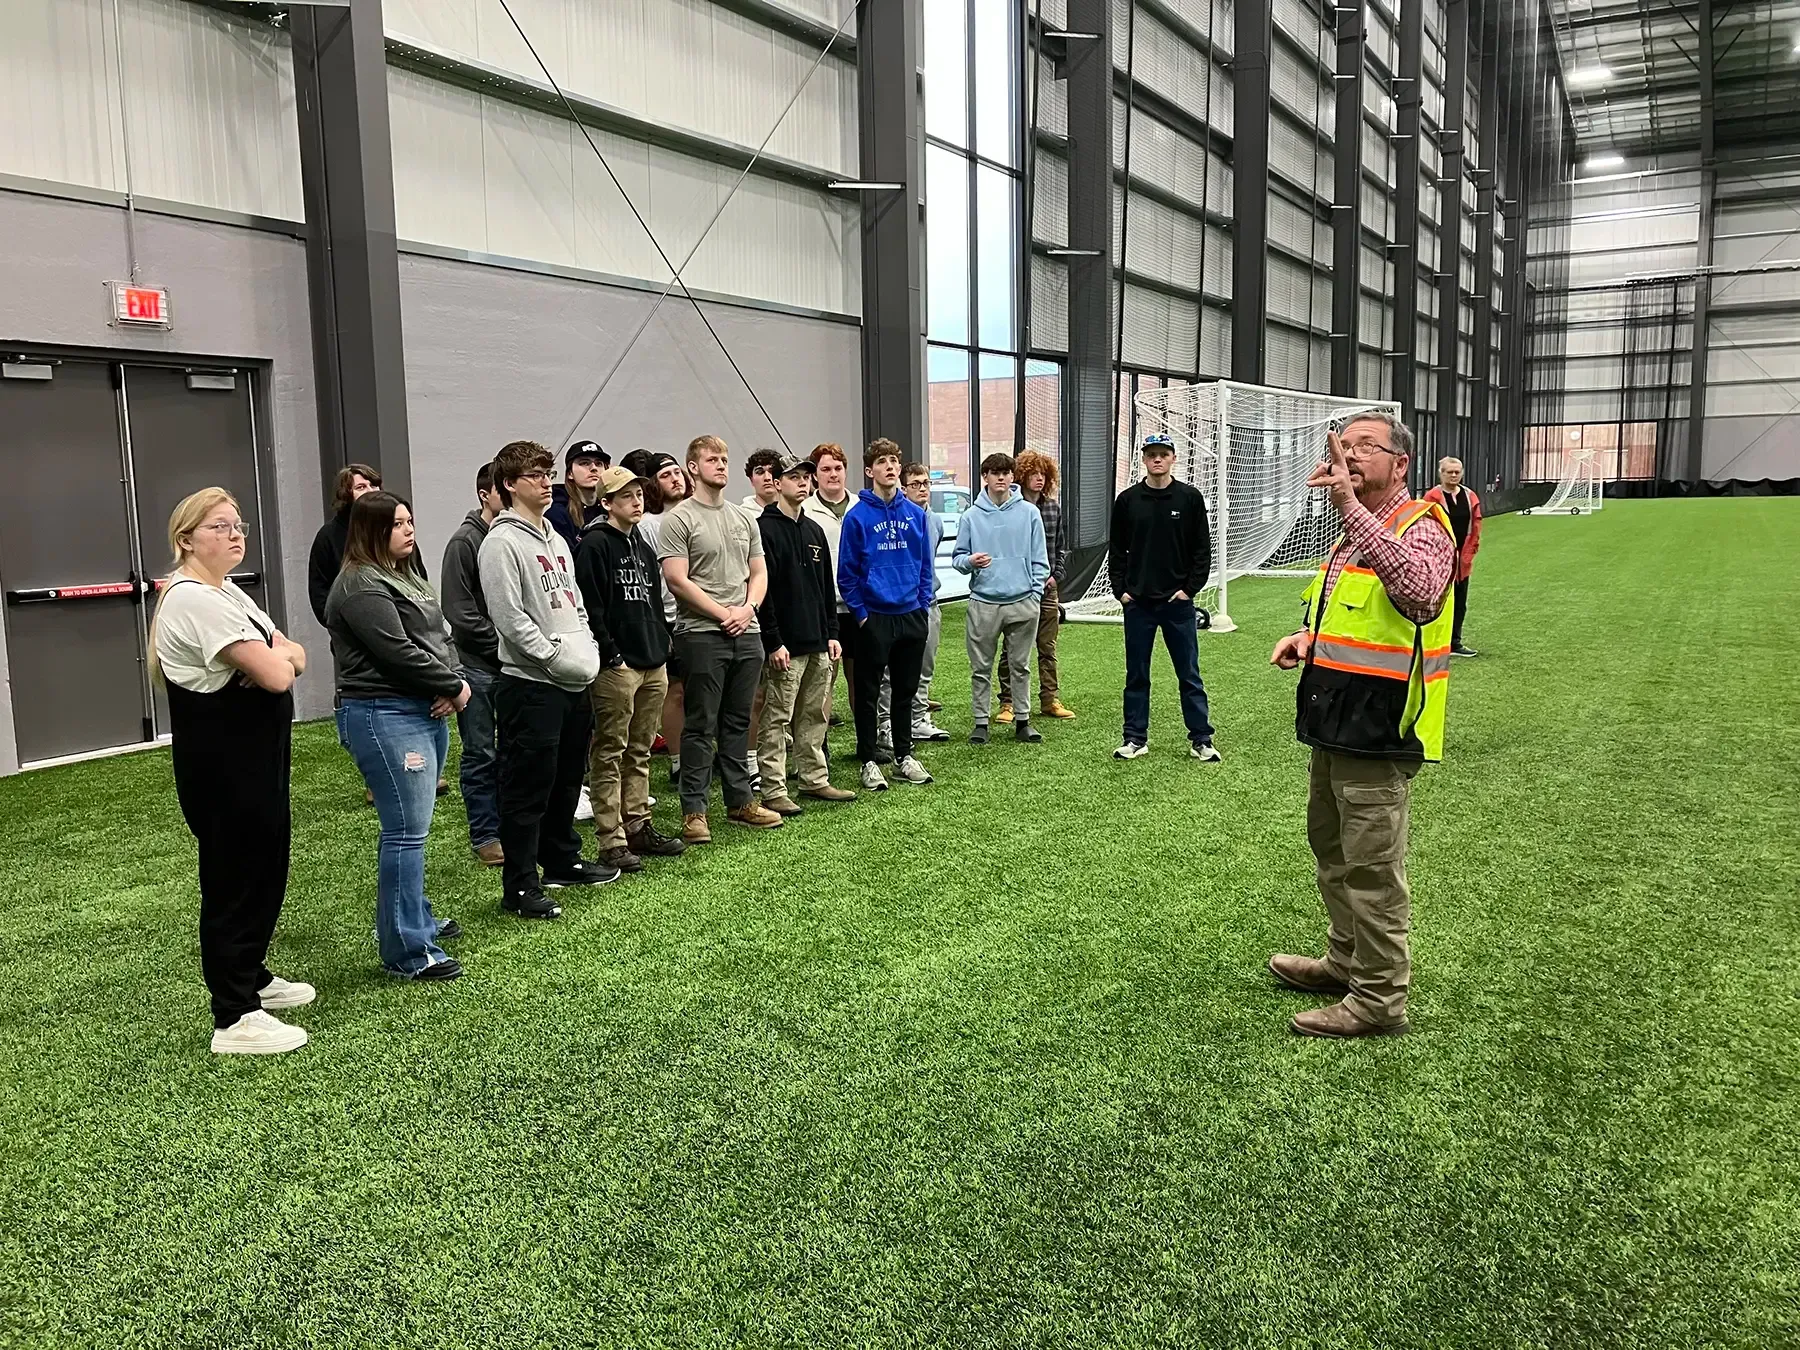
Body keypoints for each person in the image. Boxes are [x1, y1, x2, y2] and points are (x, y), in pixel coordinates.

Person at [1268, 412, 1456, 1039]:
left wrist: (1351, 508)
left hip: (1381, 732)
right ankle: (1345, 961)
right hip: (1335, 722)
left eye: (1364, 448)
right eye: (1342, 446)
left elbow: (1423, 595)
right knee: (1333, 851)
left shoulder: (1422, 526)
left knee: (1373, 869)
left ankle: (1378, 999)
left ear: (1401, 464)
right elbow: (1362, 616)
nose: (1347, 456)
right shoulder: (1354, 535)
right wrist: (1306, 638)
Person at [152, 487, 312, 1055]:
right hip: (225, 768)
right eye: (219, 526)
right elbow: (276, 674)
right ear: (186, 540)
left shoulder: (232, 597)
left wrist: (276, 654)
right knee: (234, 879)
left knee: (265, 868)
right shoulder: (194, 599)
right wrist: (274, 657)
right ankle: (234, 1015)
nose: (235, 533)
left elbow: (295, 654)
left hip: (255, 761)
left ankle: (253, 977)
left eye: (238, 524)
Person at [326, 492, 470, 982]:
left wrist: (452, 687)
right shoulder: (361, 585)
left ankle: (418, 920)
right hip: (382, 713)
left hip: (421, 708)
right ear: (371, 531)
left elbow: (438, 639)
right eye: (397, 524)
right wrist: (455, 686)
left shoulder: (403, 575)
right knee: (405, 834)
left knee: (414, 830)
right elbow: (397, 652)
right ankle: (409, 951)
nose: (410, 530)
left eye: (410, 521)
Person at [478, 440, 618, 921]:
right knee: (527, 787)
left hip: (573, 678)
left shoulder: (556, 539)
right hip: (532, 683)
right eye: (535, 475)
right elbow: (510, 619)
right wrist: (554, 656)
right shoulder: (500, 542)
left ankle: (560, 859)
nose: (546, 481)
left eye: (547, 472)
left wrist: (587, 648)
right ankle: (519, 886)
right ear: (509, 485)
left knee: (565, 779)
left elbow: (575, 602)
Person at [657, 434, 784, 842]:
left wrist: (747, 610)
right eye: (712, 459)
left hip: (747, 631)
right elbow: (676, 579)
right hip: (701, 634)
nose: (722, 466)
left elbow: (759, 572)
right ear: (692, 467)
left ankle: (740, 801)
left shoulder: (744, 518)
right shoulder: (678, 518)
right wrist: (723, 613)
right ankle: (694, 811)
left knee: (739, 718)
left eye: (725, 459)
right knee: (700, 723)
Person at [575, 466, 687, 872]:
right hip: (618, 665)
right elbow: (591, 605)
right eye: (626, 497)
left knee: (639, 750)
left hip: (651, 659)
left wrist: (661, 644)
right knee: (610, 750)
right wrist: (611, 654)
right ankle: (611, 838)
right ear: (606, 503)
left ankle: (638, 824)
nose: (637, 502)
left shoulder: (642, 545)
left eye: (639, 494)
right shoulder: (595, 545)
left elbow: (654, 601)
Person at [1109, 433, 1220, 763]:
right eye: (1151, 454)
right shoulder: (1128, 501)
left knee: (1189, 674)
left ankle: (1201, 739)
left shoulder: (1189, 498)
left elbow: (1202, 550)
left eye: (1163, 454)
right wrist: (1122, 591)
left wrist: (1189, 590)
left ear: (1173, 458)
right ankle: (1134, 739)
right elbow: (1117, 551)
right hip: (1138, 604)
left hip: (1177, 604)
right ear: (1143, 459)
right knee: (1137, 675)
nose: (1157, 459)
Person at [755, 451, 854, 809]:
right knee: (778, 718)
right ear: (777, 483)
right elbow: (761, 592)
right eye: (794, 476)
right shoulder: (763, 529)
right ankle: (774, 790)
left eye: (806, 477)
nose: (802, 482)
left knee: (815, 715)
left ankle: (814, 779)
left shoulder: (813, 529)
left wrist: (832, 633)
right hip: (786, 645)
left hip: (818, 641)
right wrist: (773, 640)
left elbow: (825, 588)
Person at [838, 437, 936, 791]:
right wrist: (862, 614)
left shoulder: (915, 514)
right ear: (869, 471)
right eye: (882, 461)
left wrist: (922, 604)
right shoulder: (857, 517)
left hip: (911, 615)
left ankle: (904, 756)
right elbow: (846, 574)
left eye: (894, 460)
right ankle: (868, 760)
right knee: (866, 693)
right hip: (874, 617)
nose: (890, 466)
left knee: (905, 692)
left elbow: (924, 565)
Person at [954, 453, 1050, 746]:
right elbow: (957, 559)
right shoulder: (970, 516)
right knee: (980, 668)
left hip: (1023, 601)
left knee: (1021, 665)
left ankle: (1023, 720)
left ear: (1012, 477)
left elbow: (1040, 559)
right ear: (985, 477)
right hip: (983, 602)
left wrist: (1034, 595)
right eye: (994, 472)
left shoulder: (1030, 513)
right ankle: (981, 723)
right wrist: (970, 561)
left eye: (1006, 472)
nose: (1000, 478)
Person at [440, 463, 505, 866]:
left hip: (513, 664)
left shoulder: (513, 536)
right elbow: (459, 611)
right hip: (479, 664)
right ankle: (485, 834)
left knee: (514, 750)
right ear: (485, 494)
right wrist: (506, 644)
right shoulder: (465, 542)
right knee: (481, 752)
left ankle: (512, 826)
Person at [876, 462, 951, 749]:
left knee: (924, 667)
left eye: (926, 483)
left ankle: (918, 720)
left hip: (928, 604)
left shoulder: (936, 521)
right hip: (897, 607)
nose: (922, 488)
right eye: (916, 484)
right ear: (903, 489)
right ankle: (886, 724)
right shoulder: (895, 518)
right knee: (889, 673)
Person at [997, 449, 1075, 723]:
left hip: (1048, 588)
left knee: (1047, 645)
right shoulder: (1011, 510)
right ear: (1022, 476)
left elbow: (1061, 547)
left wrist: (1056, 575)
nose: (1039, 479)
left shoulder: (1053, 508)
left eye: (1043, 474)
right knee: (1012, 646)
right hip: (1018, 589)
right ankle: (1008, 702)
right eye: (1033, 474)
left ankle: (1049, 699)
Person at [629, 449, 691, 781]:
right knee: (675, 690)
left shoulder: (701, 512)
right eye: (665, 475)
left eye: (678, 472)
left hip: (706, 613)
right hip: (669, 616)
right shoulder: (651, 524)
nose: (675, 478)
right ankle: (679, 759)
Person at [803, 442, 855, 728]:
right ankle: (818, 745)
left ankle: (867, 743)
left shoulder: (862, 506)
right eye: (825, 469)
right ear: (815, 475)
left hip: (859, 608)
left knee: (862, 678)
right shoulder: (806, 511)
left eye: (838, 468)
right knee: (822, 680)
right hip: (823, 609)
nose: (832, 474)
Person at [307, 462, 381, 626]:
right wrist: (342, 626)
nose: (370, 491)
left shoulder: (393, 528)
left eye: (374, 485)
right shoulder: (328, 536)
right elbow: (320, 592)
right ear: (346, 495)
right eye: (361, 487)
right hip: (352, 632)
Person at [1424, 456, 1483, 657]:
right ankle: (1431, 642)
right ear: (1441, 473)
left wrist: (1469, 553)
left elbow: (1476, 525)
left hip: (1462, 559)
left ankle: (1454, 643)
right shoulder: (1432, 497)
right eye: (1449, 471)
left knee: (1460, 601)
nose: (1454, 475)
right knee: (1435, 600)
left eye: (1457, 471)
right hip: (1438, 558)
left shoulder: (1470, 496)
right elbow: (1425, 525)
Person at [547, 440, 608, 557]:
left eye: (599, 463)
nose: (594, 468)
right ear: (570, 473)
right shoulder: (558, 514)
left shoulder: (611, 509)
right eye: (584, 463)